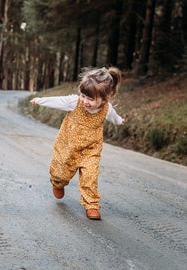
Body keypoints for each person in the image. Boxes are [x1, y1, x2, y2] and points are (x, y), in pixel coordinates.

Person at [30, 67, 125, 220]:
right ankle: (58, 183)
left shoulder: (106, 108)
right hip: (68, 145)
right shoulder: (74, 102)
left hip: (91, 149)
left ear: (104, 99)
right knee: (61, 172)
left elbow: (113, 116)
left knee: (90, 175)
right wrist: (40, 101)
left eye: (91, 99)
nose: (85, 102)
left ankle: (91, 205)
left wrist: (119, 121)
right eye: (83, 96)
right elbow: (58, 101)